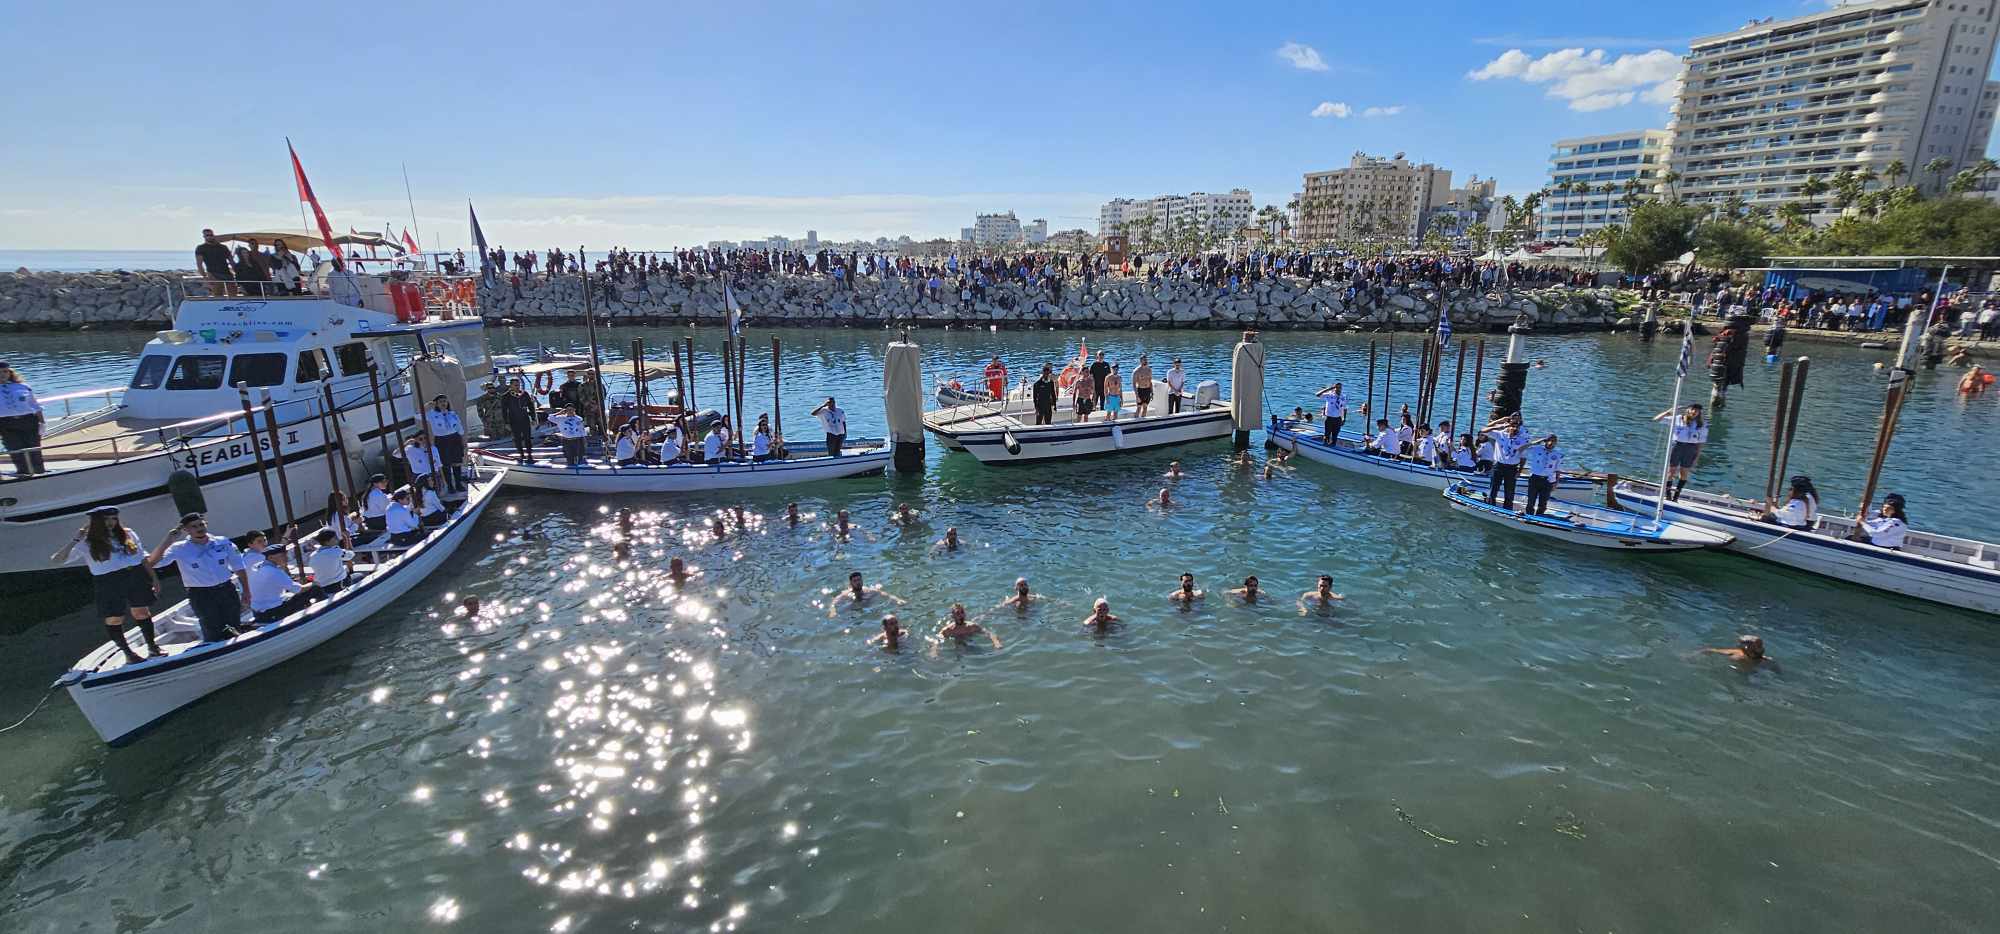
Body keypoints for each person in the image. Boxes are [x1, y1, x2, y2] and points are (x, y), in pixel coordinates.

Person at [51, 506, 162, 663]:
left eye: (114, 519)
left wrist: (154, 578)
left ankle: (153, 647)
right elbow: (57, 560)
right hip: (108, 581)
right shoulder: (87, 542)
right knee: (114, 618)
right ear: (96, 522)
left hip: (135, 575)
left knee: (142, 611)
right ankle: (128, 653)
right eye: (106, 520)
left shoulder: (128, 533)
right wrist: (76, 539)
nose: (111, 523)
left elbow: (142, 557)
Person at [146, 512, 251, 643]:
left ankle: (236, 649)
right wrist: (168, 540)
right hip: (201, 594)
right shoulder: (179, 548)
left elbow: (238, 567)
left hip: (226, 590)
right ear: (186, 530)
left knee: (233, 624)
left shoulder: (222, 542)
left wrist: (246, 590)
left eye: (201, 524)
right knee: (212, 629)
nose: (199, 528)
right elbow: (152, 563)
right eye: (194, 526)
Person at [247, 542, 319, 624]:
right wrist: (315, 583)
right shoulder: (274, 572)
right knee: (315, 588)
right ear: (271, 557)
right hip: (273, 612)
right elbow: (299, 589)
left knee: (290, 595)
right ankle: (321, 613)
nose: (286, 557)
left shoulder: (256, 567)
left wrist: (283, 566)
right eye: (282, 555)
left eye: (285, 554)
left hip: (257, 613)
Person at [0, 361, 47, 477]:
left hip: (28, 421)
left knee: (34, 449)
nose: (2, 374)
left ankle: (40, 473)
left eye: (5, 371)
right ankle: (24, 474)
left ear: (10, 372)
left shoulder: (23, 386)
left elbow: (35, 405)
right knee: (16, 450)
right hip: (6, 424)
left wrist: (42, 422)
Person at [1653, 403, 1707, 501]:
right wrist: (1668, 412)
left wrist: (1697, 457)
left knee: (1684, 473)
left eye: (1697, 411)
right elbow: (1656, 419)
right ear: (1688, 410)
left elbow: (1701, 443)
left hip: (1691, 448)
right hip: (1677, 446)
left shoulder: (1701, 424)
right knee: (1671, 472)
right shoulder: (1677, 418)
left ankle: (1676, 496)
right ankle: (1667, 494)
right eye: (1693, 409)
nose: (1695, 412)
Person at [1484, 418, 1529, 510]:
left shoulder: (1522, 440)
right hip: (1499, 466)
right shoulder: (1500, 434)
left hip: (1512, 468)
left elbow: (1523, 457)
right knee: (1494, 488)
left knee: (1509, 491)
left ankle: (1507, 509)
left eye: (1516, 426)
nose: (1514, 428)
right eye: (1512, 426)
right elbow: (1484, 430)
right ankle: (1491, 507)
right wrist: (1499, 424)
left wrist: (1519, 471)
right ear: (1508, 426)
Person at [426, 396, 467, 493]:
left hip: (454, 438)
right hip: (442, 440)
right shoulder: (431, 414)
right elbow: (417, 415)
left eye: (445, 401)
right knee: (446, 463)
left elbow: (459, 427)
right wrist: (426, 406)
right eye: (441, 402)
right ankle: (450, 486)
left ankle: (458, 484)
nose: (444, 403)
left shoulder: (452, 414)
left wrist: (462, 440)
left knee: (456, 462)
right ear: (436, 403)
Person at [1522, 434, 1564, 516]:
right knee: (1531, 501)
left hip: (1547, 481)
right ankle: (1529, 516)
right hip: (1535, 478)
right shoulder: (1536, 449)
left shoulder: (1558, 455)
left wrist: (1556, 482)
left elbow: (1558, 470)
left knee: (1543, 503)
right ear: (1545, 441)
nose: (1551, 443)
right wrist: (1537, 442)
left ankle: (1539, 518)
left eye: (1554, 441)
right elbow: (1522, 448)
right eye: (1549, 440)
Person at [829, 571, 905, 616]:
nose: (858, 582)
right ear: (851, 583)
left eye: (859, 580)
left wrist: (898, 600)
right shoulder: (845, 594)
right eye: (855, 581)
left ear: (862, 580)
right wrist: (833, 611)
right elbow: (833, 603)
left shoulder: (869, 591)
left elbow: (886, 595)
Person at [500, 378, 538, 464]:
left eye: (518, 385)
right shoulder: (506, 396)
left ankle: (529, 455)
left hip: (525, 419)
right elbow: (504, 411)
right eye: (515, 385)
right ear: (511, 385)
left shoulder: (524, 394)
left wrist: (533, 418)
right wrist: (506, 423)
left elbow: (531, 406)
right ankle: (521, 455)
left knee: (528, 438)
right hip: (514, 420)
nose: (517, 387)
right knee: (517, 439)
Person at [934, 603, 1001, 652]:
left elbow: (989, 633)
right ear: (952, 616)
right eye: (957, 613)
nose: (961, 615)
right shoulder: (948, 630)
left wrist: (996, 642)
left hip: (970, 641)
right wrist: (934, 652)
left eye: (962, 612)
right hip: (958, 643)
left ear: (965, 614)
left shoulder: (972, 626)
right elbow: (936, 640)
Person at [305, 528, 353, 596]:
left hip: (324, 588)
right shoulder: (336, 551)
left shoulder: (312, 556)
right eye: (335, 538)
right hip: (340, 585)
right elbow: (351, 554)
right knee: (359, 576)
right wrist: (347, 538)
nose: (338, 539)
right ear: (327, 542)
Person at [195, 228, 237, 295]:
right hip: (213, 273)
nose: (209, 237)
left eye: (211, 235)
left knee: (233, 292)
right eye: (207, 235)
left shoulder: (223, 247)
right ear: (204, 237)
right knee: (218, 293)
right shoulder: (201, 248)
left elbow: (231, 261)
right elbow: (199, 264)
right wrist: (205, 277)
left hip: (227, 273)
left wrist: (237, 272)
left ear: (213, 235)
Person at [1703, 634, 1778, 671]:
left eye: (1760, 647)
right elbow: (1709, 650)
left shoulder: (1767, 661)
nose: (1761, 649)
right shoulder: (1737, 655)